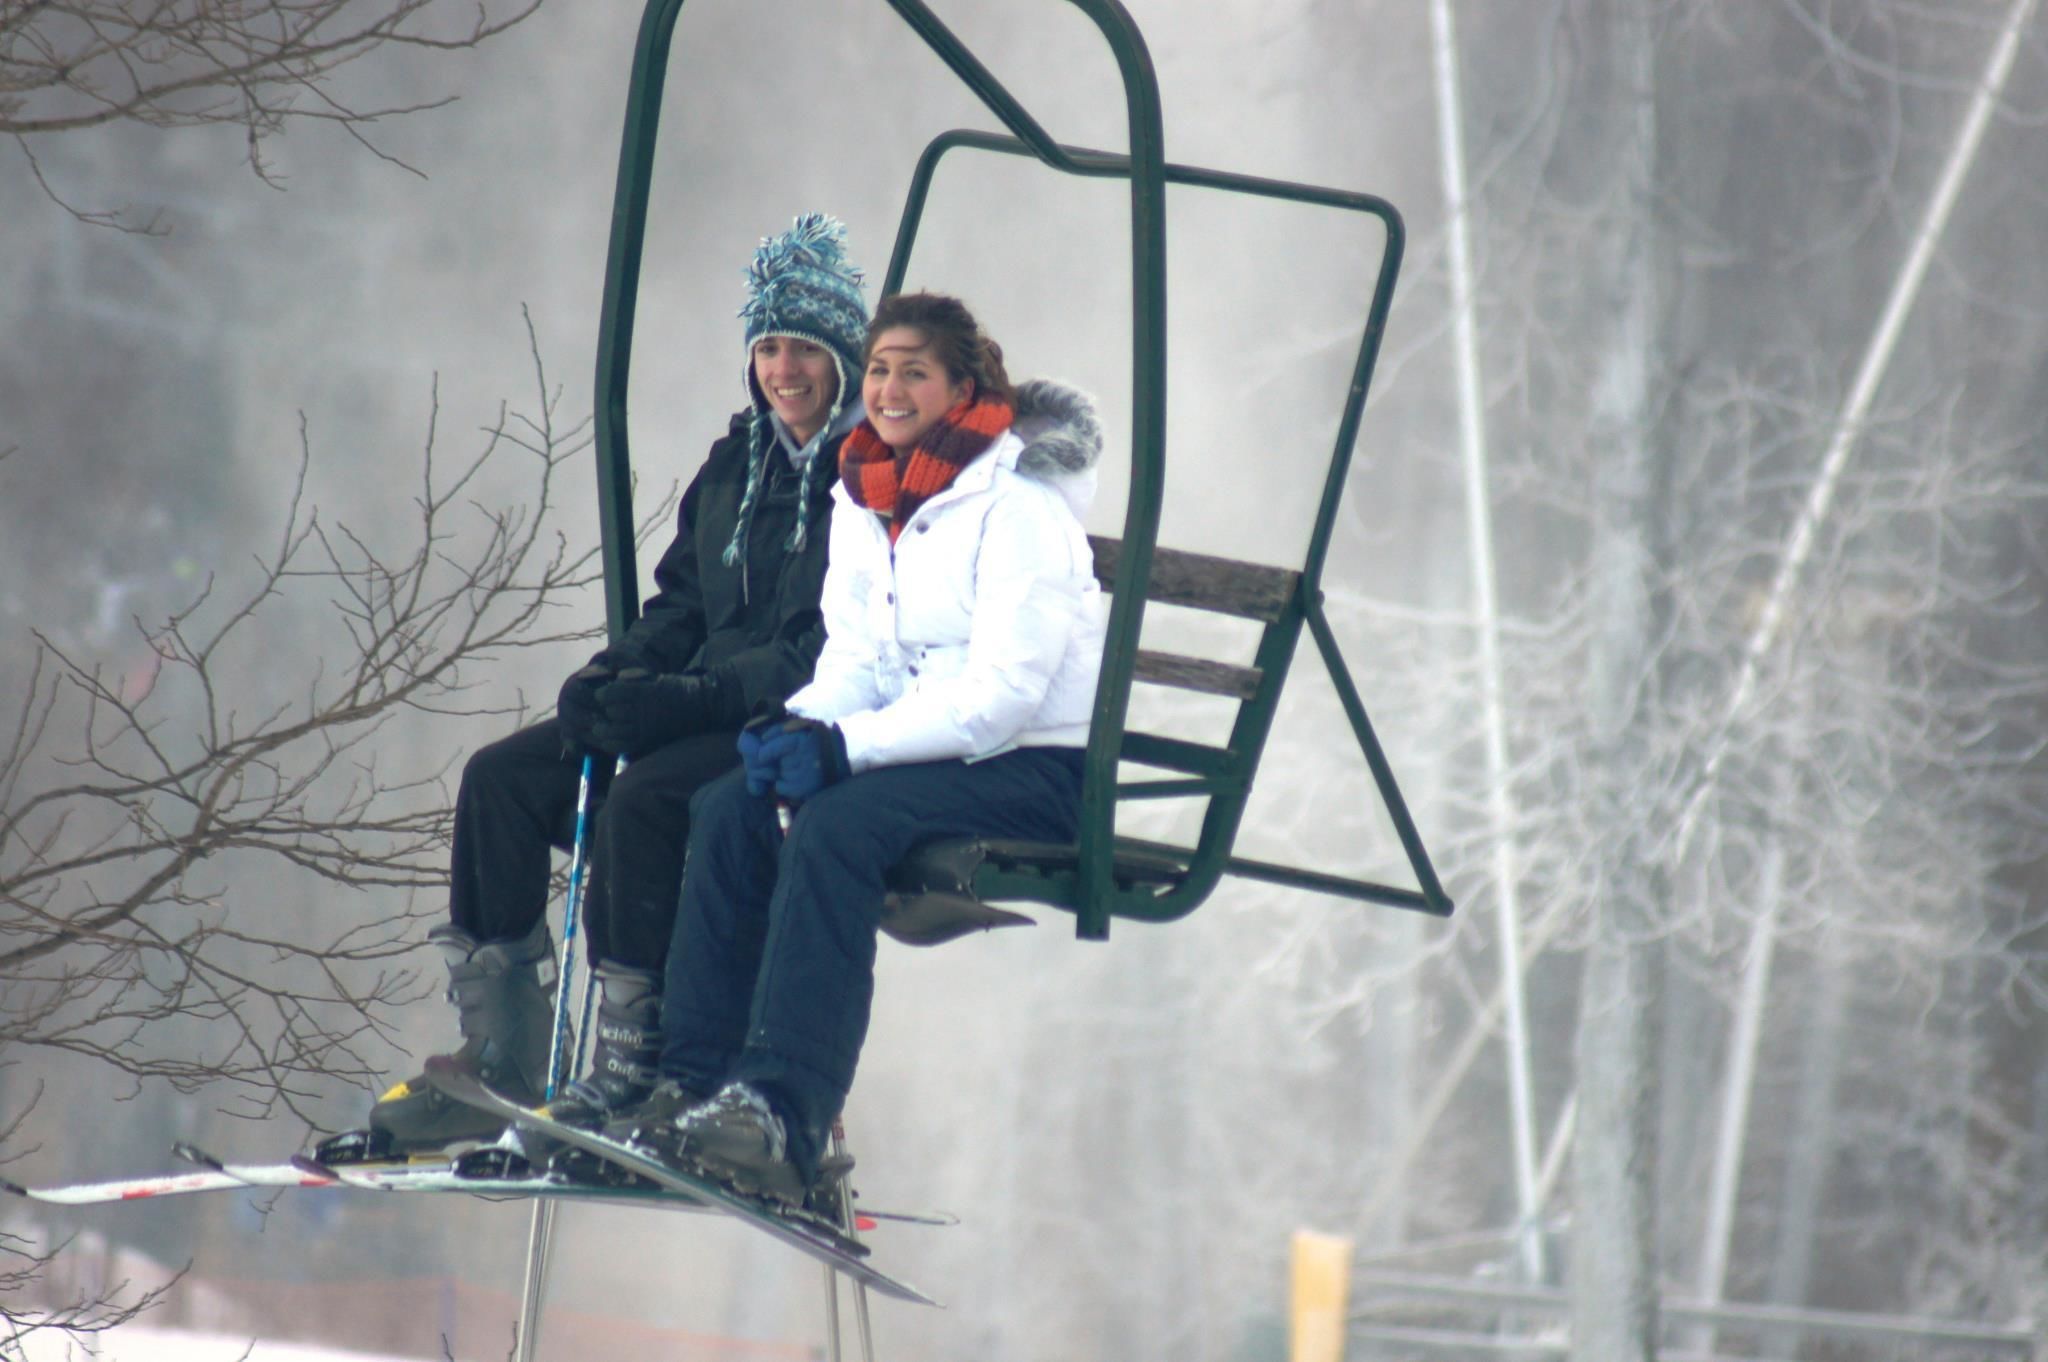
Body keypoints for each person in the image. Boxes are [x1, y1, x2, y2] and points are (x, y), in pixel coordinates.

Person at [355, 215, 873, 1157]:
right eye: (767, 348)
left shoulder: (863, 478)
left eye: (804, 348)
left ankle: (635, 1057)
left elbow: (824, 644)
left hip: (779, 718)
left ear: (841, 358)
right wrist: (618, 672)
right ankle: (500, 1056)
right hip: (698, 698)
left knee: (643, 800)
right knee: (504, 779)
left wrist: (690, 699)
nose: (784, 370)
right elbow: (684, 600)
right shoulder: (739, 463)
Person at [609, 292, 1107, 1206]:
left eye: (915, 371)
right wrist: (799, 724)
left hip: (1033, 765)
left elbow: (1003, 696)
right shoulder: (866, 492)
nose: (889, 389)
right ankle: (693, 1082)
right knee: (730, 803)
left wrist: (844, 750)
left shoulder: (1017, 509)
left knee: (837, 827)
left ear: (962, 387)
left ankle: (781, 1112)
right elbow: (857, 658)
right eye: (879, 370)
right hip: (932, 745)